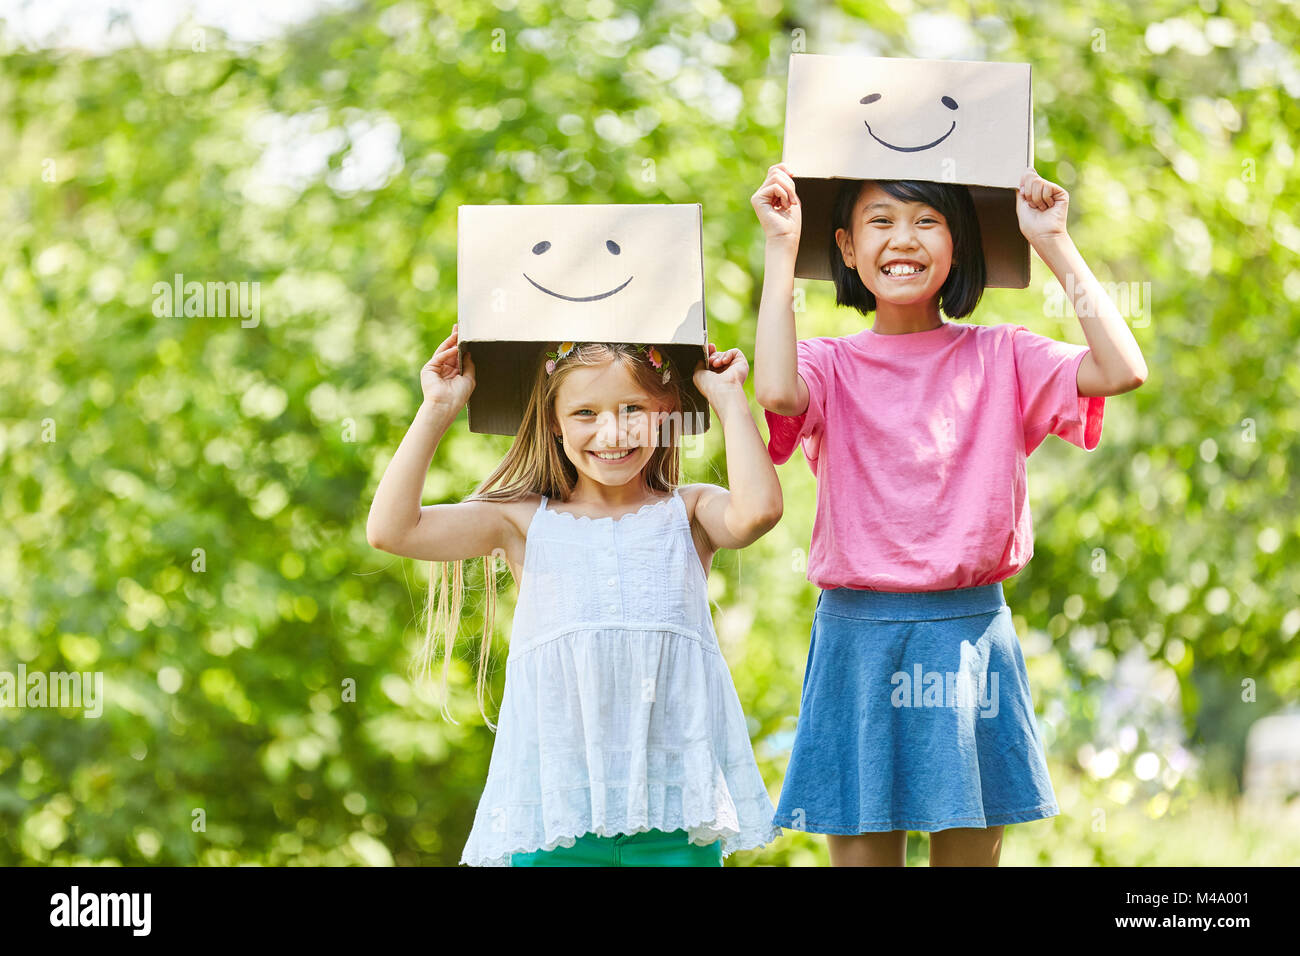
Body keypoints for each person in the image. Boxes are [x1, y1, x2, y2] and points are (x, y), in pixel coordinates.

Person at [750, 163, 1148, 866]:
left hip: (968, 636)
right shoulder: (827, 364)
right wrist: (782, 248)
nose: (903, 238)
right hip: (858, 638)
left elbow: (1121, 368)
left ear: (959, 243)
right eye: (881, 221)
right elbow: (778, 392)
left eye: (926, 220)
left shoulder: (1005, 355)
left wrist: (1054, 242)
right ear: (844, 247)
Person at [366, 329, 785, 866]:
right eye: (585, 413)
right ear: (554, 424)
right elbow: (392, 530)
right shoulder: (522, 522)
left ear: (666, 411)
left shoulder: (689, 512)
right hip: (556, 820)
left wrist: (728, 398)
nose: (611, 432)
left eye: (632, 408)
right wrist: (438, 409)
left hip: (674, 815)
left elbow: (759, 512)